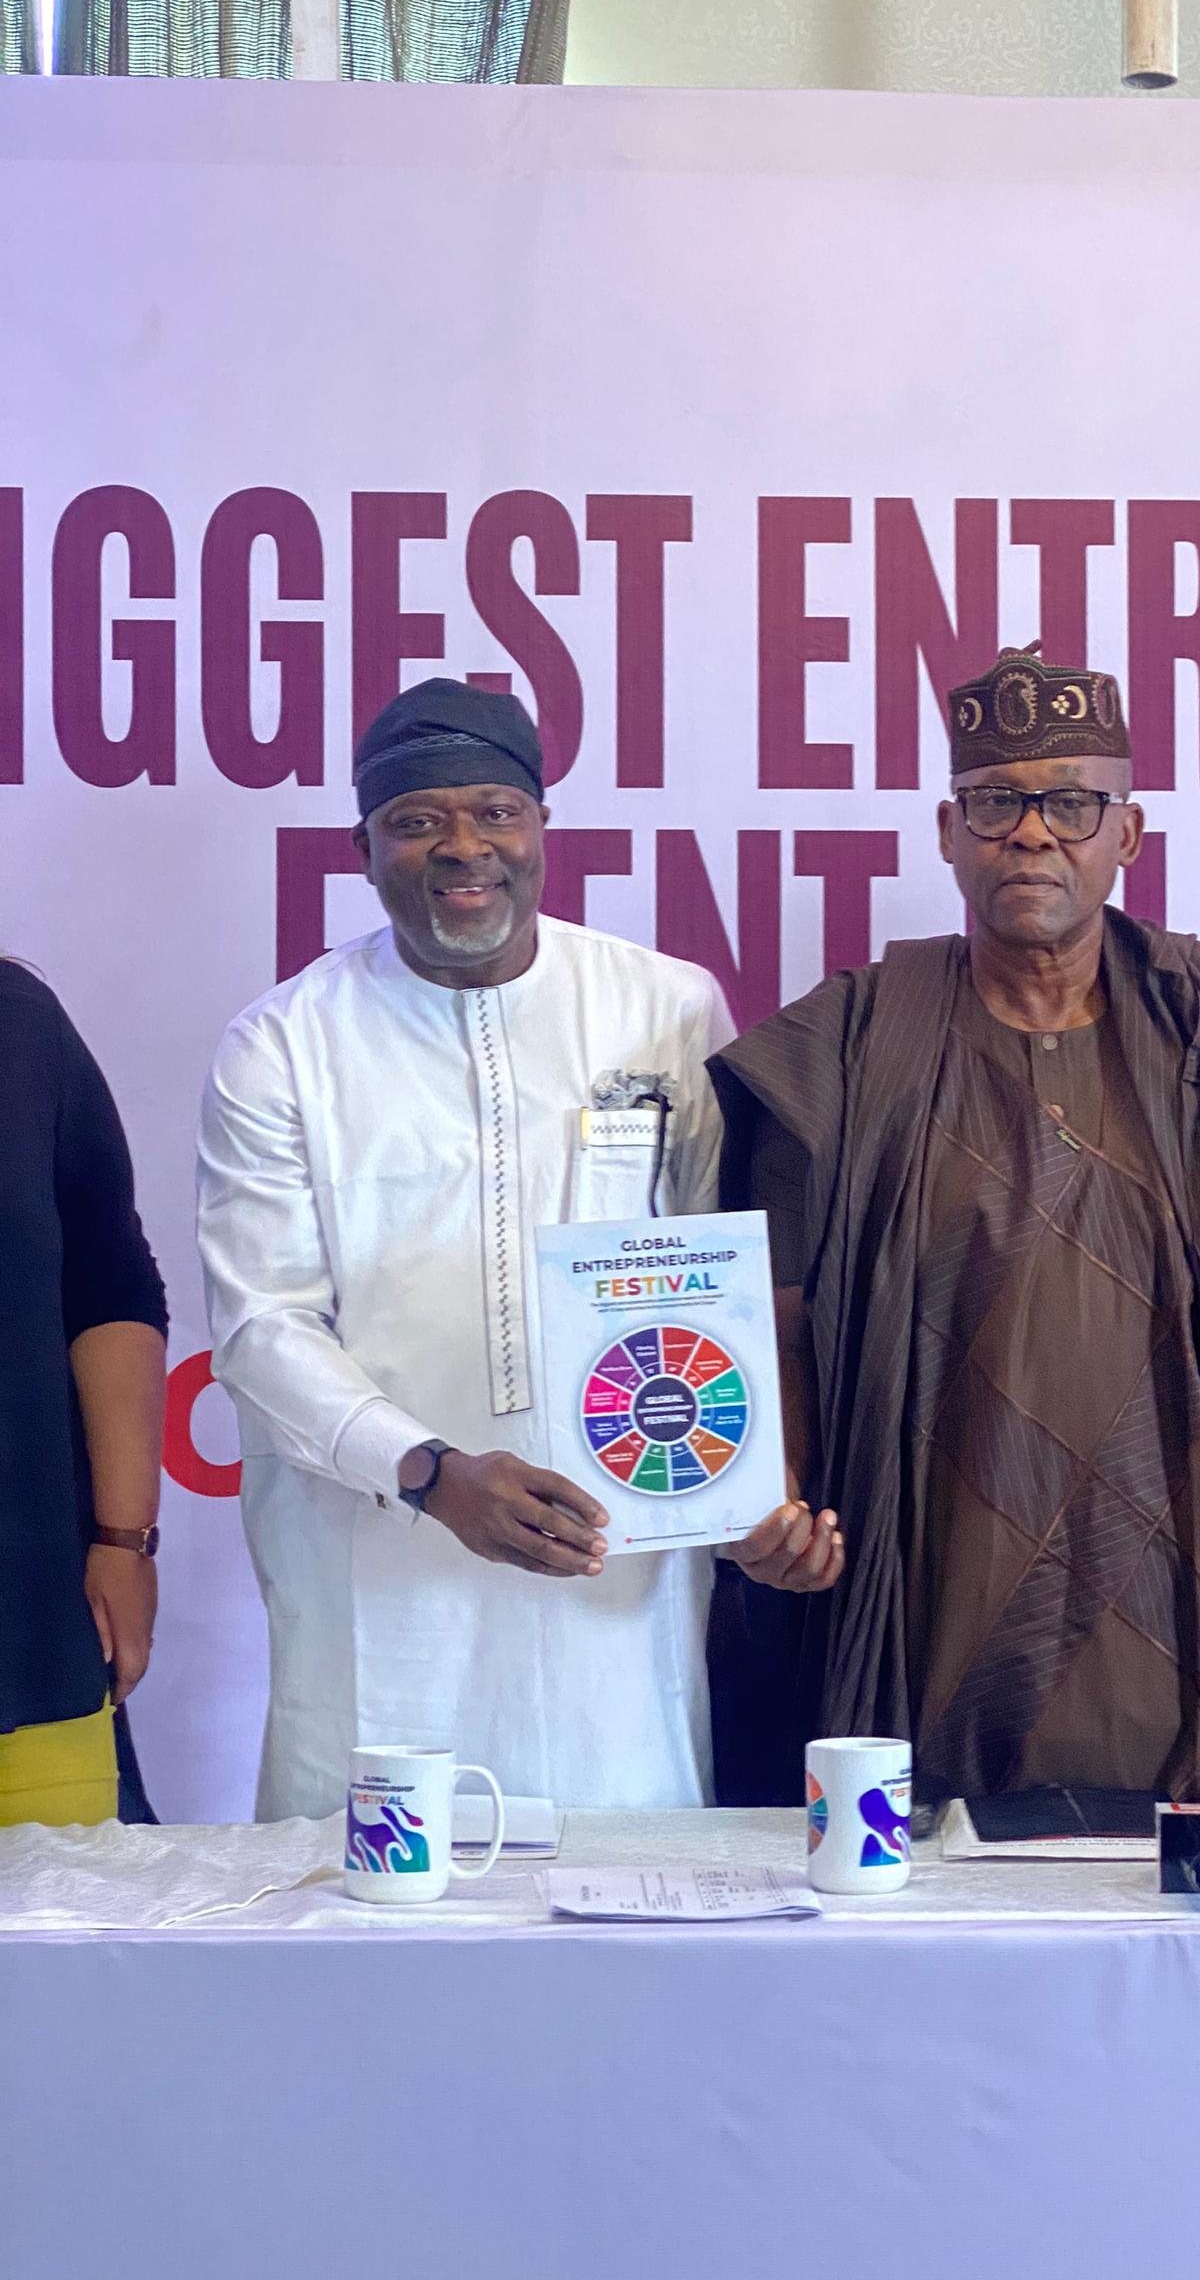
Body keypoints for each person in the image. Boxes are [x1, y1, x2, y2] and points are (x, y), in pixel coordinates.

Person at [710, 643, 1200, 1807]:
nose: (1032, 832)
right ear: (947, 829)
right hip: (934, 1618)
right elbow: (770, 1320)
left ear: (1127, 833)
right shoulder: (848, 1047)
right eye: (996, 801)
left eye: (1070, 802)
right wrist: (767, 1495)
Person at [197, 678, 834, 1824]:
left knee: (626, 1948)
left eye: (496, 811)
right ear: (364, 846)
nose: (463, 848)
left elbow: (717, 1289)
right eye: (418, 820)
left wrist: (750, 1503)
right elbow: (261, 1328)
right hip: (379, 1598)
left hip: (616, 1603)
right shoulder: (284, 1044)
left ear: (541, 827)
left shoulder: (665, 1011)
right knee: (369, 1961)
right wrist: (432, 1473)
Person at [0, 964, 168, 1827]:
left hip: (29, 1633)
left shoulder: (20, 1025)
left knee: (70, 1952)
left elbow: (109, 1289)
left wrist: (126, 1539)